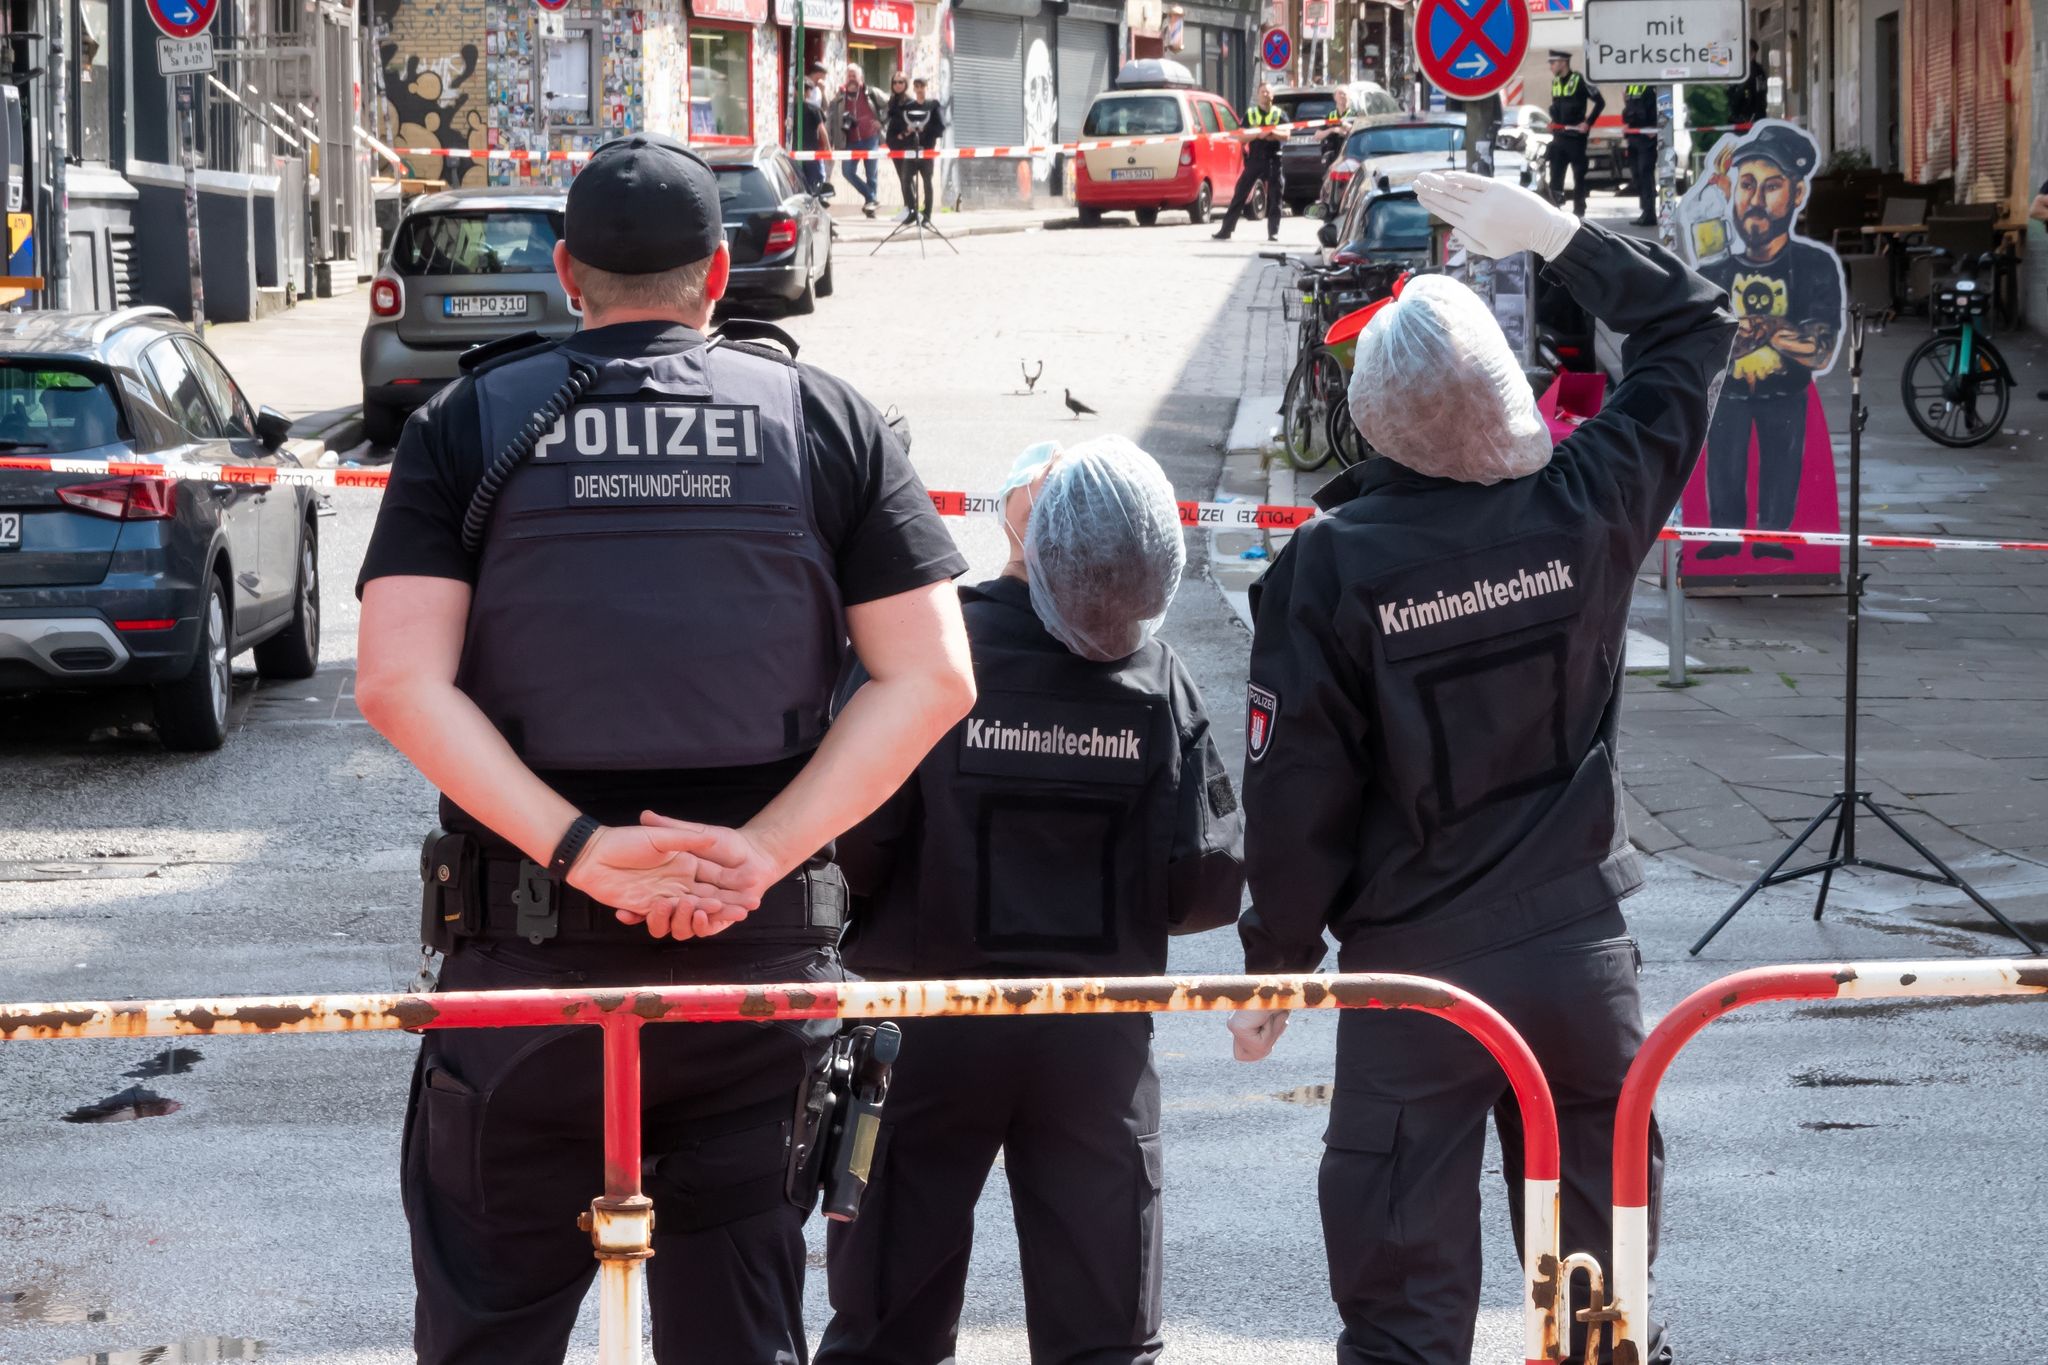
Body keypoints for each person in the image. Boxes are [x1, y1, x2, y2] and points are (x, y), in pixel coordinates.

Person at [353, 132, 978, 1365]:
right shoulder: (821, 417)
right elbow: (933, 678)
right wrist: (753, 857)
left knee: (487, 1332)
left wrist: (580, 851)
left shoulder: (469, 421)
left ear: (567, 273)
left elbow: (396, 681)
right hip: (747, 973)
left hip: (523, 975)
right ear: (720, 271)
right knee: (737, 1335)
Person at [1232, 170, 1734, 1365]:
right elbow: (1693, 330)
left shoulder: (1329, 571)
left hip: (1417, 980)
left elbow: (1295, 794)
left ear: (1373, 414)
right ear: (1507, 394)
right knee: (1597, 1301)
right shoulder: (1584, 505)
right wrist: (1562, 238)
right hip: (1576, 961)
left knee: (1401, 1306)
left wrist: (1274, 964)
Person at [816, 435, 1245, 1365]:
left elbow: (852, 842)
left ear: (1026, 538)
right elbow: (1203, 881)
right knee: (1104, 1338)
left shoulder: (930, 658)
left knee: (885, 1326)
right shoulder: (1156, 680)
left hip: (922, 1028)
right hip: (1095, 1038)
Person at [1695, 123, 1843, 560]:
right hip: (1728, 397)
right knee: (1723, 470)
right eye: (1746, 184)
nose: (1755, 200)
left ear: (1797, 194)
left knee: (1782, 471)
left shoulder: (1814, 265)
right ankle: (1722, 542)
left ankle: (1774, 540)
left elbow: (1821, 349)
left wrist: (1765, 327)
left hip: (1786, 393)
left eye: (1772, 186)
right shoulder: (1713, 270)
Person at [1213, 83, 1284, 242]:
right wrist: (1258, 134)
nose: (1265, 94)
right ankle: (1226, 230)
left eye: (1268, 92)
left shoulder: (1279, 113)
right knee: (1240, 193)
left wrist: (1271, 133)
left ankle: (1273, 233)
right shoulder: (1250, 114)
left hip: (1274, 159)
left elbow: (1286, 134)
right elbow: (1241, 137)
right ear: (1258, 95)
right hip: (1255, 159)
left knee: (1276, 196)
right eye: (1262, 92)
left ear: (1272, 95)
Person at [1546, 50, 1605, 217]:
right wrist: (1552, 124)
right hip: (1558, 138)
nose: (1551, 66)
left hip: (1576, 139)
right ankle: (1555, 212)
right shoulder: (1555, 82)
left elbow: (1600, 102)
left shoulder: (1580, 80)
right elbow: (1557, 108)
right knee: (1555, 176)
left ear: (1564, 62)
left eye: (1553, 62)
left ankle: (1579, 212)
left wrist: (1588, 123)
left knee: (1579, 176)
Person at [831, 65, 886, 218]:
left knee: (871, 175)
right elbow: (831, 116)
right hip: (850, 141)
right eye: (849, 76)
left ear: (861, 78)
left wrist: (882, 121)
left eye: (854, 76)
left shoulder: (871, 93)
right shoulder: (840, 97)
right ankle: (872, 198)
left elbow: (890, 104)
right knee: (847, 171)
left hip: (870, 139)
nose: (851, 79)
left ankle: (871, 210)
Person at [1622, 83, 1658, 227]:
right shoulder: (1630, 87)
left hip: (1647, 138)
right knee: (1637, 176)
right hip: (1634, 137)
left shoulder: (1650, 86)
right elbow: (1630, 110)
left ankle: (1650, 213)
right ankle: (1645, 211)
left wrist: (1656, 127)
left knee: (1645, 173)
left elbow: (1661, 106)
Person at [793, 64, 832, 195]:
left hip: (796, 149)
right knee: (818, 177)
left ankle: (805, 197)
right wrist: (828, 147)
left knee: (800, 177)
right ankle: (815, 198)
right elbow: (822, 129)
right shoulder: (813, 109)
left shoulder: (790, 110)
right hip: (811, 149)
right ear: (808, 92)